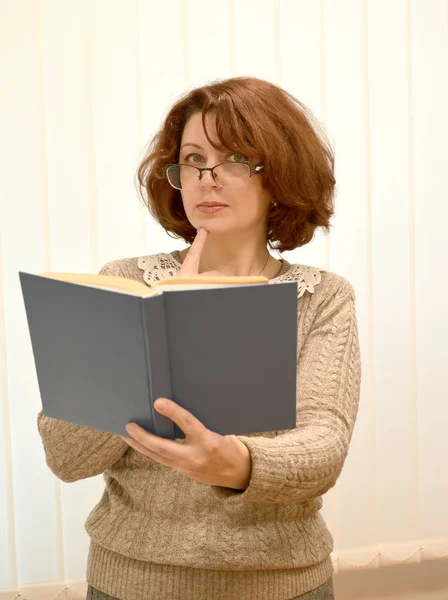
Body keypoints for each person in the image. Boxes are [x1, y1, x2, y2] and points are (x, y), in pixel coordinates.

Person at [37, 76, 361, 600]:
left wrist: (234, 463)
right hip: (130, 582)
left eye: (234, 158)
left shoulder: (321, 296)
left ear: (277, 174)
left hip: (281, 584)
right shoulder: (124, 282)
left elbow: (324, 446)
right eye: (192, 159)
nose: (208, 178)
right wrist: (157, 331)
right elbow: (65, 456)